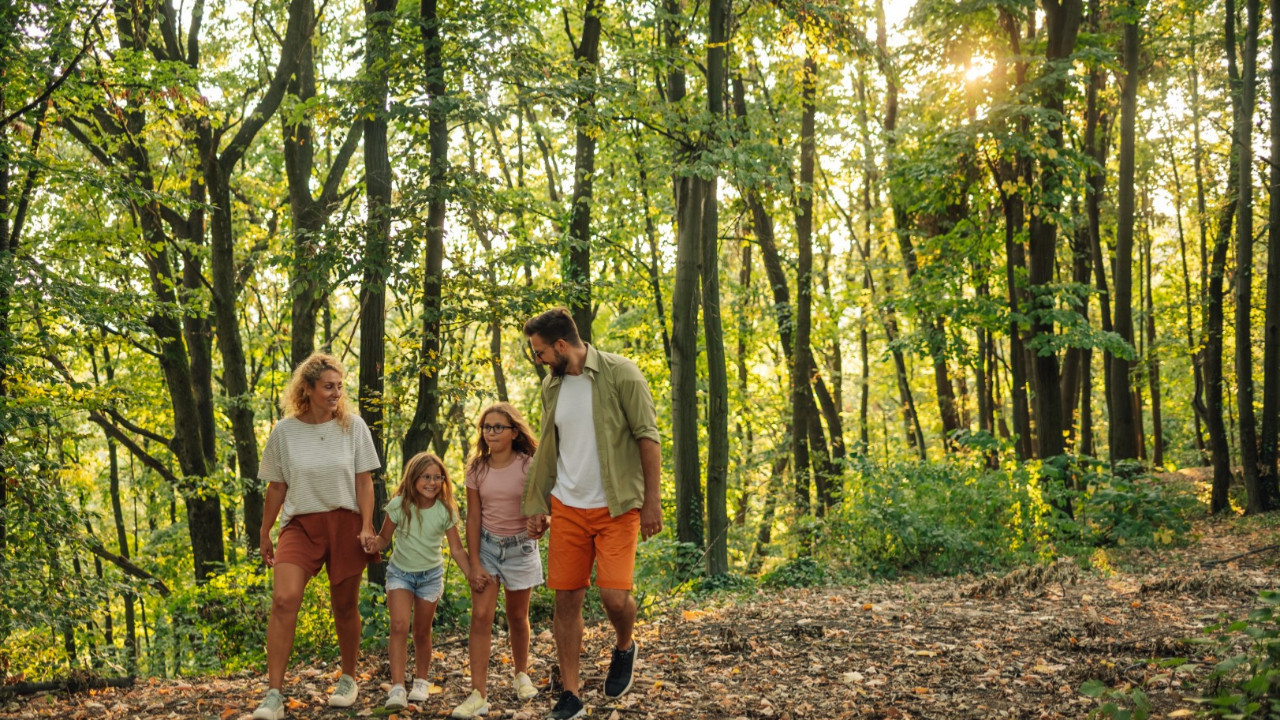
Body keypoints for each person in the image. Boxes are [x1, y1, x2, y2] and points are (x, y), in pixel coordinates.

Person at [521, 308, 662, 720]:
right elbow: (551, 446)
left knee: (614, 598)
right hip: (568, 507)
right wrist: (539, 506)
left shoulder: (622, 374)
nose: (539, 360)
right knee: (566, 600)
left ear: (562, 346)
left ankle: (624, 645)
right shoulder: (553, 386)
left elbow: (647, 437)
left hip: (617, 506)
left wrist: (651, 501)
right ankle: (571, 694)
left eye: (541, 352)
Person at [253, 353, 380, 720]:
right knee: (284, 598)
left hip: (345, 523)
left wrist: (367, 524)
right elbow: (277, 487)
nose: (335, 393)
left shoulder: (353, 427)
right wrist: (265, 531)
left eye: (339, 386)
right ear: (305, 389)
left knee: (344, 606)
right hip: (300, 525)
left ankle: (349, 678)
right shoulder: (284, 432)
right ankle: (274, 694)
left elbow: (364, 481)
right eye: (328, 387)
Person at [451, 403, 543, 719]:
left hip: (521, 548)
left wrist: (541, 523)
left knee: (518, 617)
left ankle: (521, 675)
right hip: (488, 547)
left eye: (497, 427)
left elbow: (542, 509)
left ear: (514, 432)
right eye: (486, 427)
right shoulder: (477, 469)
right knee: (480, 616)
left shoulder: (529, 465)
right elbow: (473, 517)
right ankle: (478, 693)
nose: (491, 432)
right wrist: (474, 562)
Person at [369, 451, 475, 711]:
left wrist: (471, 574)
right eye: (426, 477)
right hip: (400, 574)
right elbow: (384, 539)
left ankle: (421, 681)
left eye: (438, 477)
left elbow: (457, 549)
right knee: (398, 626)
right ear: (414, 478)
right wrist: (373, 544)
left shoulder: (445, 510)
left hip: (430, 577)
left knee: (421, 631)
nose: (432, 482)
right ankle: (397, 687)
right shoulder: (399, 506)